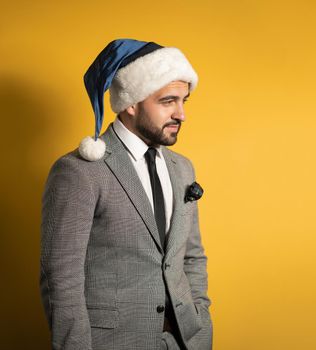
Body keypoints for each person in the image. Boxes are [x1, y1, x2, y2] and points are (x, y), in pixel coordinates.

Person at [40, 39, 212, 350]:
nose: (181, 114)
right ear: (131, 103)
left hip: (184, 341)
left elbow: (191, 257)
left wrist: (201, 324)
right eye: (168, 101)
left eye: (184, 100)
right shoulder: (79, 172)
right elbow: (61, 279)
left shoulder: (183, 168)